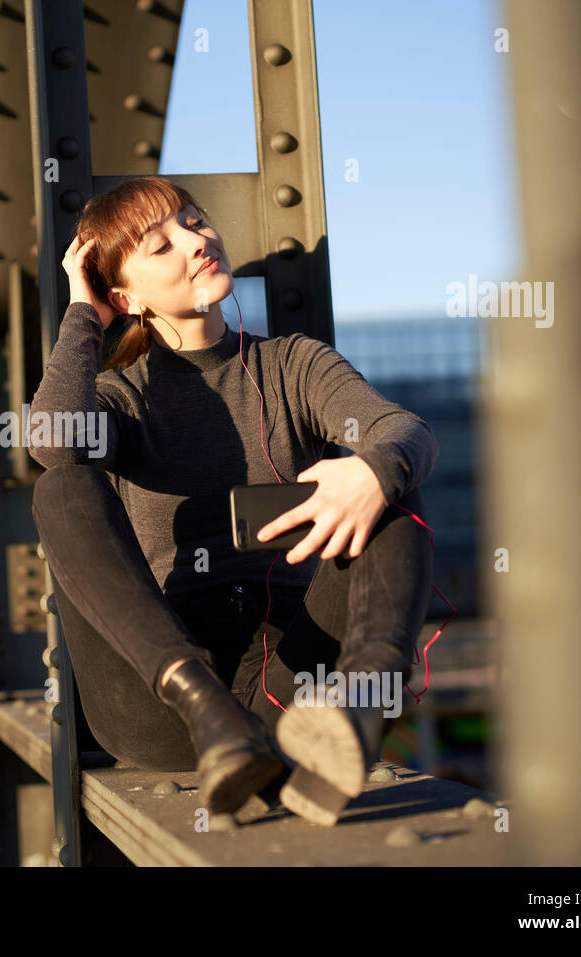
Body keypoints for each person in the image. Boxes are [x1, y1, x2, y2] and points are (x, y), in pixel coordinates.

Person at [27, 176, 436, 824]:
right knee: (62, 486)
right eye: (161, 245)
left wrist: (371, 471)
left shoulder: (294, 365)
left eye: (194, 221)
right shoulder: (123, 397)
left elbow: (402, 428)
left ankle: (357, 716)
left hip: (288, 682)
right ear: (126, 296)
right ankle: (210, 710)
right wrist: (83, 313)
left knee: (392, 489)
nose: (195, 242)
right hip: (164, 704)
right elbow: (52, 442)